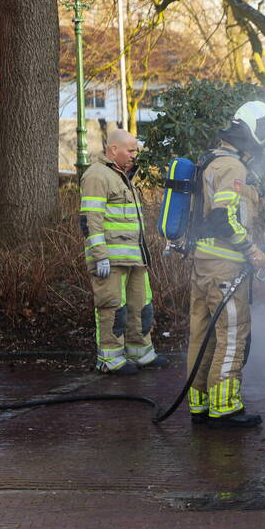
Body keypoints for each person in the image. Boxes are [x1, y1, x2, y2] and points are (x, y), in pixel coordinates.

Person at [186, 101, 265, 427]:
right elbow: (224, 219)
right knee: (232, 334)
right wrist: (252, 251)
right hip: (226, 267)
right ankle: (225, 407)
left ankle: (200, 405)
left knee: (202, 335)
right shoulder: (233, 168)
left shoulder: (209, 161)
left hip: (203, 263)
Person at [79, 129, 168, 375]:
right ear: (113, 149)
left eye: (135, 150)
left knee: (141, 306)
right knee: (112, 308)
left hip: (134, 258)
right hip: (110, 260)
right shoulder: (97, 175)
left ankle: (140, 352)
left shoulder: (123, 177)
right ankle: (110, 359)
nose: (134, 155)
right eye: (130, 150)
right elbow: (91, 220)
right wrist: (100, 256)